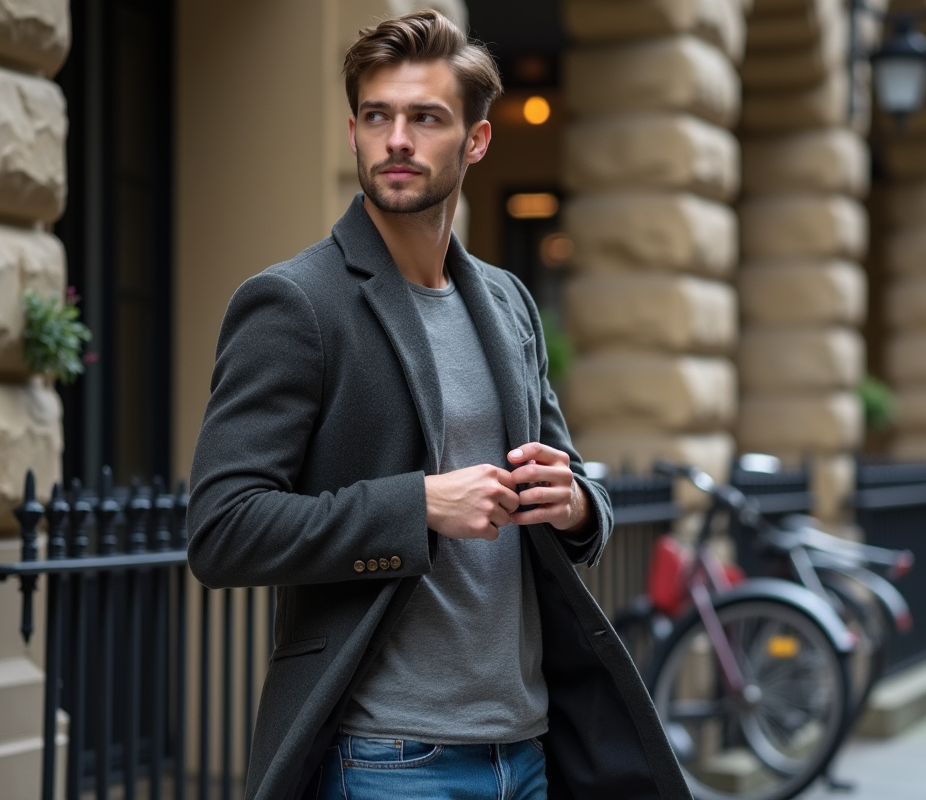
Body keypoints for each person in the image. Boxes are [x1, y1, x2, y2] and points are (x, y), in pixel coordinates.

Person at [186, 11, 689, 800]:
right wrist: (416, 506)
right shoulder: (295, 304)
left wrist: (576, 505)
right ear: (353, 132)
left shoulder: (507, 301)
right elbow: (222, 530)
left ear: (476, 142)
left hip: (528, 748)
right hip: (388, 757)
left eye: (425, 118)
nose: (397, 139)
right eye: (378, 117)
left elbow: (574, 482)